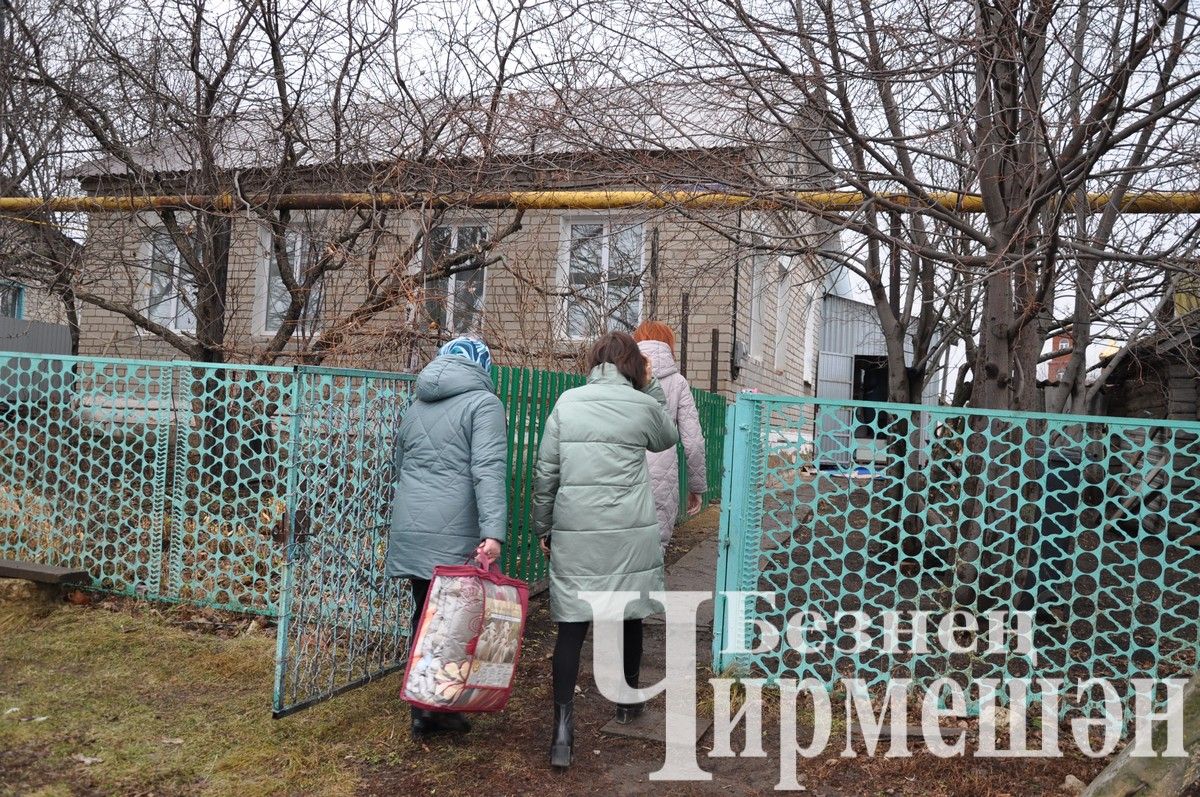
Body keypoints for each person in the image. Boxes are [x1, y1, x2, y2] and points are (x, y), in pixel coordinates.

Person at [532, 331, 679, 770]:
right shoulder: (642, 405)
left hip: (576, 529)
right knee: (629, 613)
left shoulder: (567, 402)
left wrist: (545, 527)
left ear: (594, 362)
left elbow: (546, 472)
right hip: (627, 532)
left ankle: (562, 731)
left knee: (571, 627)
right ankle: (628, 702)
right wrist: (650, 386)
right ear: (633, 364)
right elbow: (666, 437)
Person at [386, 336, 507, 739]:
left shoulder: (418, 403)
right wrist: (493, 532)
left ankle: (429, 707)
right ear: (482, 367)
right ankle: (431, 706)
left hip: (411, 520)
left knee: (425, 611)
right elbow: (488, 469)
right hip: (455, 525)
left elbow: (400, 462)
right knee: (454, 620)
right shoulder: (484, 404)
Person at [632, 321, 707, 552]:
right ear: (669, 346)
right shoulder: (678, 382)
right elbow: (693, 442)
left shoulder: (622, 376)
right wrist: (697, 487)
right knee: (655, 547)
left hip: (624, 463)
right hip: (662, 470)